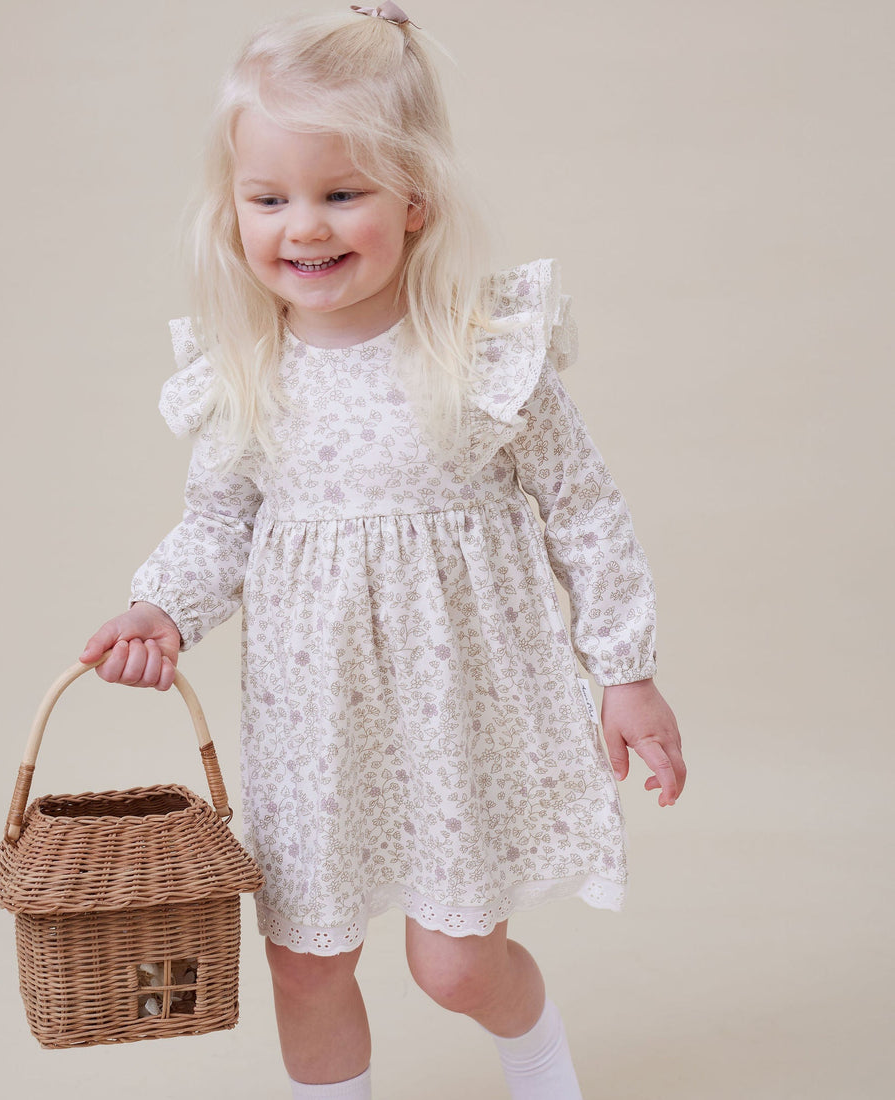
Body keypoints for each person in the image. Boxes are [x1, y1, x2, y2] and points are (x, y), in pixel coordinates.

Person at [81, 6, 685, 1098]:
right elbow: (219, 523)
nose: (301, 227)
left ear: (414, 201)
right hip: (314, 728)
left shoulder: (479, 350)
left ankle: (540, 1061)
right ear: (233, 210)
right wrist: (158, 609)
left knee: (451, 962)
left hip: (459, 714)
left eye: (338, 193)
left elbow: (582, 507)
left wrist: (626, 670)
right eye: (268, 199)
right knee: (305, 964)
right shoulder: (246, 370)